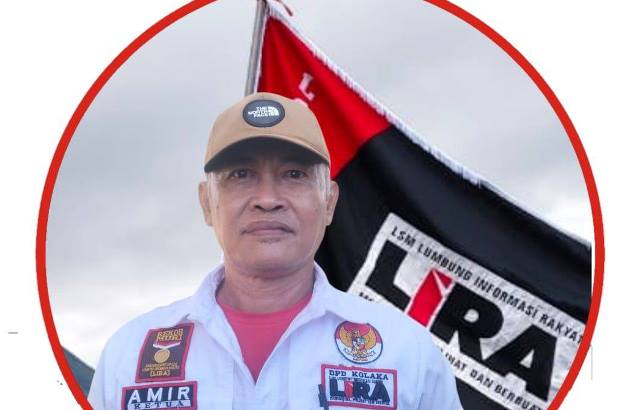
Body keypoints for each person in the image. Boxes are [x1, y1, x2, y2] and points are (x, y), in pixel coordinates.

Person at [88, 92, 462, 409]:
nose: (267, 199)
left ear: (329, 202)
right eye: (241, 175)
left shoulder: (408, 355)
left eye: (294, 174)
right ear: (206, 204)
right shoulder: (128, 357)